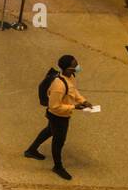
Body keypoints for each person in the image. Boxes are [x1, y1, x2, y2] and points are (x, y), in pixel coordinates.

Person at [24, 53, 90, 181]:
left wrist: (83, 101)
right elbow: (54, 106)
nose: (78, 66)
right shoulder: (58, 86)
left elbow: (73, 91)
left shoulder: (70, 77)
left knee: (49, 131)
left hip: (62, 115)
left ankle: (31, 150)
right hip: (58, 117)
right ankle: (58, 166)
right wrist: (74, 107)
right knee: (58, 142)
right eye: (75, 65)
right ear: (67, 69)